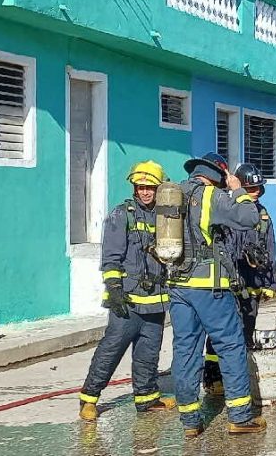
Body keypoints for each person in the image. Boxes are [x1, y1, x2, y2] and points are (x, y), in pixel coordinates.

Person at [168, 152, 267, 437]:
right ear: (219, 175)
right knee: (231, 346)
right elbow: (249, 218)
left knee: (185, 350)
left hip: (178, 287)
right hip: (209, 289)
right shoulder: (210, 196)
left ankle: (189, 422)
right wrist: (237, 189)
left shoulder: (173, 195)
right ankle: (240, 417)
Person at [78, 161, 176, 420]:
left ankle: (146, 398)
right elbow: (110, 258)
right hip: (128, 300)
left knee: (148, 352)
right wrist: (114, 288)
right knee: (111, 350)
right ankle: (89, 398)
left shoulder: (166, 217)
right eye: (140, 187)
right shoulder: (121, 215)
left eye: (150, 188)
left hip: (155, 299)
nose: (145, 192)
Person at [202, 163, 276, 396]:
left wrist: (270, 284)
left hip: (253, 282)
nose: (255, 192)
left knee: (246, 330)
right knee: (220, 333)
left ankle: (238, 380)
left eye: (258, 188)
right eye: (250, 188)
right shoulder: (227, 211)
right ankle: (213, 378)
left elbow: (270, 249)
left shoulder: (263, 216)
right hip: (229, 282)